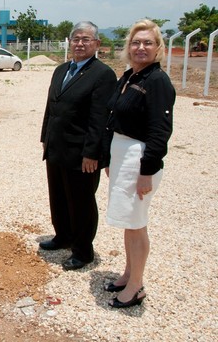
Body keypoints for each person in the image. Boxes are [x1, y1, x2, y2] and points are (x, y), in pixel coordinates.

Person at [103, 19, 175, 308]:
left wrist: (147, 171)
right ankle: (128, 274)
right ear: (128, 47)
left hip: (139, 159)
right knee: (128, 221)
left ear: (158, 48)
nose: (141, 47)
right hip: (123, 156)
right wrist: (110, 158)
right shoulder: (131, 76)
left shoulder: (157, 81)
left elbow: (161, 130)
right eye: (136, 42)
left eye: (147, 43)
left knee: (137, 223)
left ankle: (136, 287)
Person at [40, 21, 117, 270]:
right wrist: (46, 138)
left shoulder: (102, 74)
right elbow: (51, 107)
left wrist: (92, 153)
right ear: (70, 42)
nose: (80, 43)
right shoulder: (61, 70)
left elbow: (99, 118)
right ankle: (63, 236)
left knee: (81, 202)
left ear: (96, 44)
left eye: (86, 39)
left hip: (82, 154)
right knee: (59, 197)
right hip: (57, 148)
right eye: (76, 39)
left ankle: (83, 251)